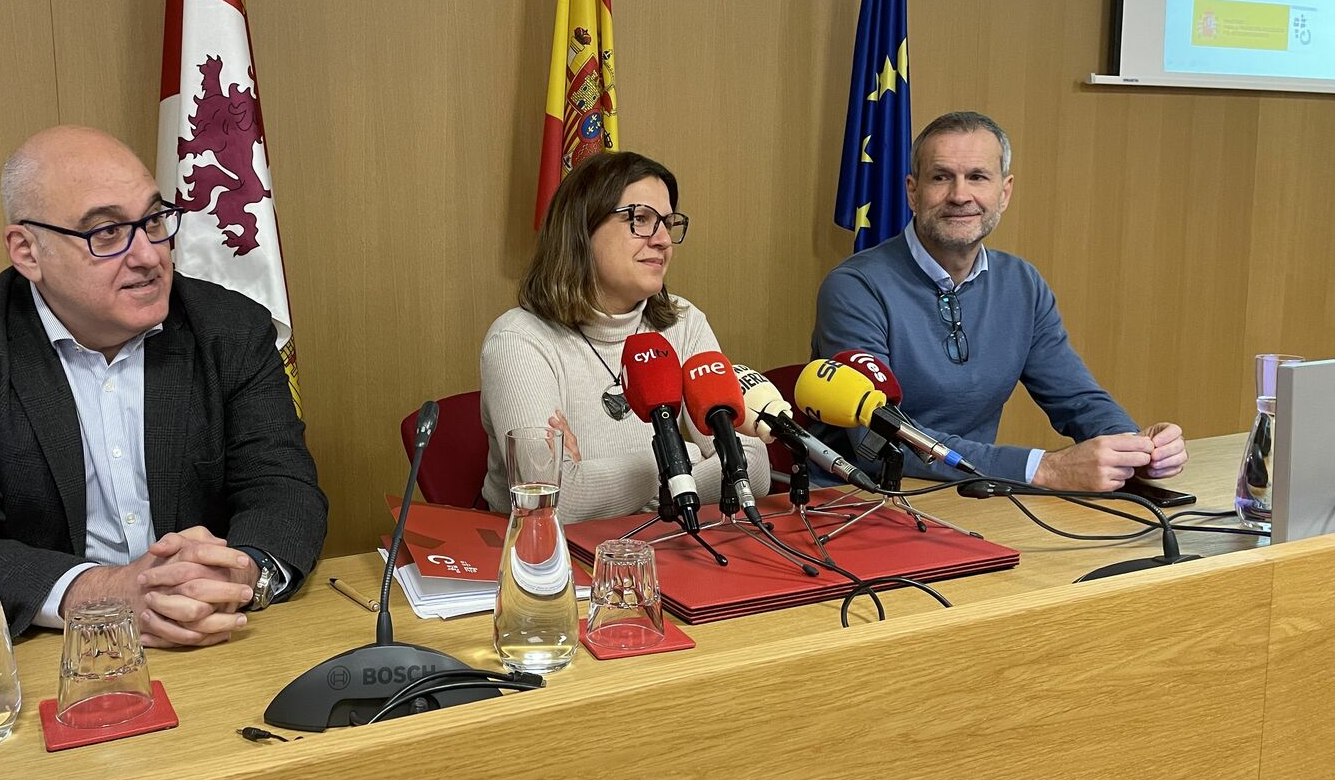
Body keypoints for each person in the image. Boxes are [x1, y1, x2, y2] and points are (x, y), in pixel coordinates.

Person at [0, 125, 327, 645]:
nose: (148, 256)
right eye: (107, 233)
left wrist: (240, 572)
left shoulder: (229, 329)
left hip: (216, 637)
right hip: (50, 653)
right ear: (27, 251)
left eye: (155, 220)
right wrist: (106, 593)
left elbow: (283, 490)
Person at [811, 110, 1186, 491]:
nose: (960, 195)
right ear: (912, 191)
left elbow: (1075, 398)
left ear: (1004, 193)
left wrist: (1133, 448)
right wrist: (1043, 468)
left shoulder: (1022, 283)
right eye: (941, 177)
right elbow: (879, 438)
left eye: (977, 177)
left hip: (968, 497)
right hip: (852, 501)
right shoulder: (855, 287)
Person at [480, 150, 769, 522]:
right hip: (549, 563)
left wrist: (601, 478)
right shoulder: (518, 341)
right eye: (642, 219)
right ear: (582, 229)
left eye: (667, 222)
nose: (663, 240)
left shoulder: (683, 322)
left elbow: (753, 470)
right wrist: (683, 460)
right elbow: (556, 502)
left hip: (662, 550)